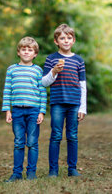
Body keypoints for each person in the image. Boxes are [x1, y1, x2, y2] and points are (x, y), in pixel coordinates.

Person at [42, 24, 87, 177]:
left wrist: (83, 108)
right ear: (56, 41)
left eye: (69, 38)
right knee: (55, 135)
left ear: (73, 40)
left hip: (74, 104)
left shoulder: (79, 60)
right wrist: (54, 71)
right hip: (57, 103)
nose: (66, 41)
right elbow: (44, 82)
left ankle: (72, 169)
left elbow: (82, 86)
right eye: (62, 38)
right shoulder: (51, 59)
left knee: (72, 135)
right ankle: (53, 170)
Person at [1, 36, 47, 182]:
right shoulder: (11, 70)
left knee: (32, 142)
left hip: (33, 110)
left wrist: (41, 111)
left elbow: (42, 92)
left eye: (30, 50)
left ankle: (31, 173)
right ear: (18, 52)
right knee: (18, 142)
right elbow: (7, 90)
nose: (26, 52)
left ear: (35, 54)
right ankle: (16, 173)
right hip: (17, 111)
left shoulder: (38, 70)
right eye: (23, 49)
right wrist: (7, 110)